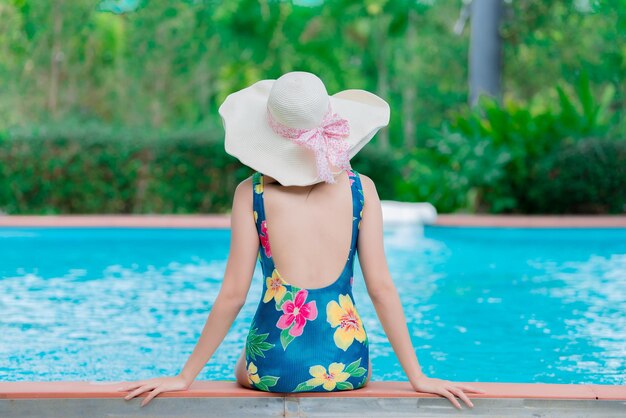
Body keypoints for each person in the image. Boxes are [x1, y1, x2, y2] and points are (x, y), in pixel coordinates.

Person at [117, 71, 484, 409]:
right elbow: (382, 289)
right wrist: (417, 377)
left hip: (274, 366)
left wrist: (184, 377)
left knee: (241, 367)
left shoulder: (252, 193)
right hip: (347, 365)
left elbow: (232, 295)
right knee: (358, 365)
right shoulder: (362, 190)